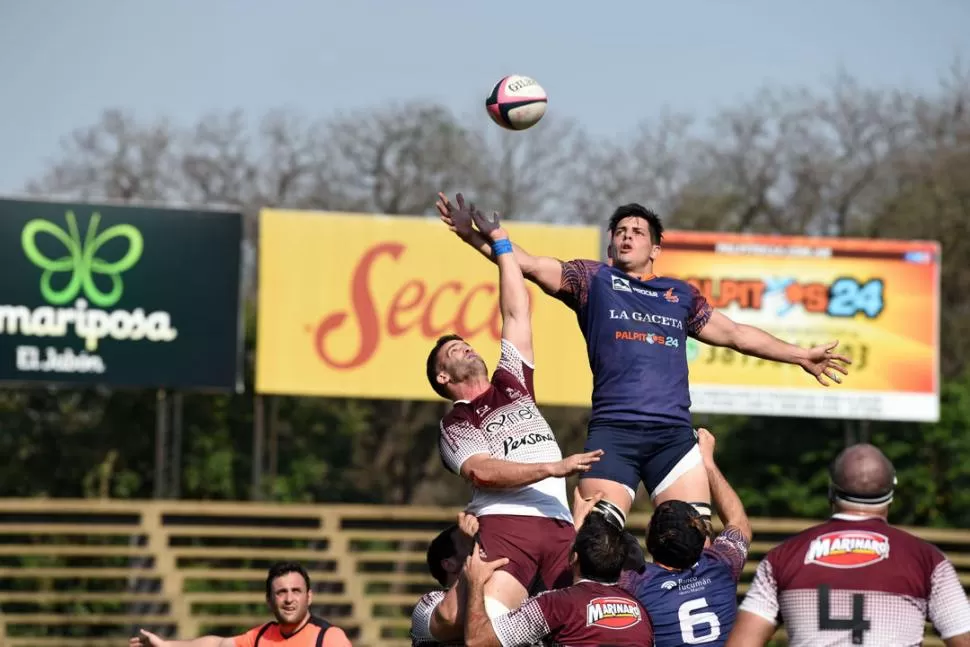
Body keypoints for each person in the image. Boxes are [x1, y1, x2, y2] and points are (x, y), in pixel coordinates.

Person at [436, 192, 852, 523]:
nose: (627, 235)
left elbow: (736, 334)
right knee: (593, 538)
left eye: (637, 230)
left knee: (694, 545)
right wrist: (474, 236)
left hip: (672, 436)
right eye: (620, 230)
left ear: (655, 247)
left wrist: (800, 356)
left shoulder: (679, 295)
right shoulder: (591, 279)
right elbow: (521, 263)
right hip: (614, 433)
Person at [427, 205, 604, 619]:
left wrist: (500, 239)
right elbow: (483, 472)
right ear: (442, 378)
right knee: (488, 626)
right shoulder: (455, 421)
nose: (467, 348)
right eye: (455, 351)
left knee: (578, 623)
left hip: (558, 522)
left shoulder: (513, 381)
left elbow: (516, 311)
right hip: (508, 524)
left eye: (466, 345)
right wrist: (551, 468)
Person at [725, 443, 970, 647]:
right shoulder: (926, 560)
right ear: (891, 495)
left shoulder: (782, 557)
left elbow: (742, 643)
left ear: (831, 492)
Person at [620, 427, 752, 646]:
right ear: (701, 540)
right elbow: (739, 523)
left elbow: (590, 565)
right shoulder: (721, 566)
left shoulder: (635, 583)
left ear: (651, 543)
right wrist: (709, 463)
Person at [461, 512, 654, 646]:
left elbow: (478, 640)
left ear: (574, 557)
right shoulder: (642, 613)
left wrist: (475, 583)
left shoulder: (554, 604)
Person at [131, 562, 352, 647]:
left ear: (309, 597)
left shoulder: (328, 638)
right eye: (281, 592)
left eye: (296, 591)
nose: (289, 599)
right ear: (269, 600)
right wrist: (166, 645)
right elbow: (217, 645)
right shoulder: (260, 636)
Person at [410, 513, 478, 646]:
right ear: (449, 564)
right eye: (467, 542)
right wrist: (475, 552)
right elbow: (450, 617)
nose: (477, 544)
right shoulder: (428, 604)